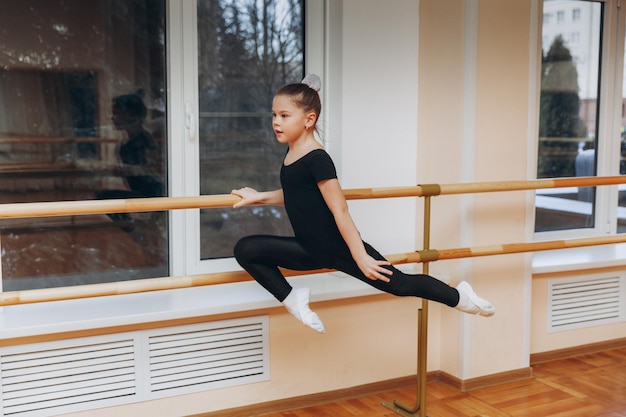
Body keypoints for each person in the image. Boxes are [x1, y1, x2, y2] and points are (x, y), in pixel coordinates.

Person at [231, 75, 494, 333]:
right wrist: (260, 197)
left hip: (340, 248)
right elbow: (297, 194)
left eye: (284, 115)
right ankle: (292, 300)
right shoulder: (292, 152)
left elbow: (339, 209)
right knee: (246, 249)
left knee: (400, 285)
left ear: (309, 119)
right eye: (274, 115)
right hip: (310, 249)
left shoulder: (317, 158)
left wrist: (361, 257)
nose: (276, 122)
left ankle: (460, 297)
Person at [96, 91, 164, 228]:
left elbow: (157, 168)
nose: (112, 118)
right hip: (141, 190)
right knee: (104, 196)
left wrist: (133, 169)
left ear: (130, 115)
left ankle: (134, 229)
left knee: (104, 196)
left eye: (116, 113)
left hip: (153, 192)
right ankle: (132, 228)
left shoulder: (144, 140)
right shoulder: (127, 140)